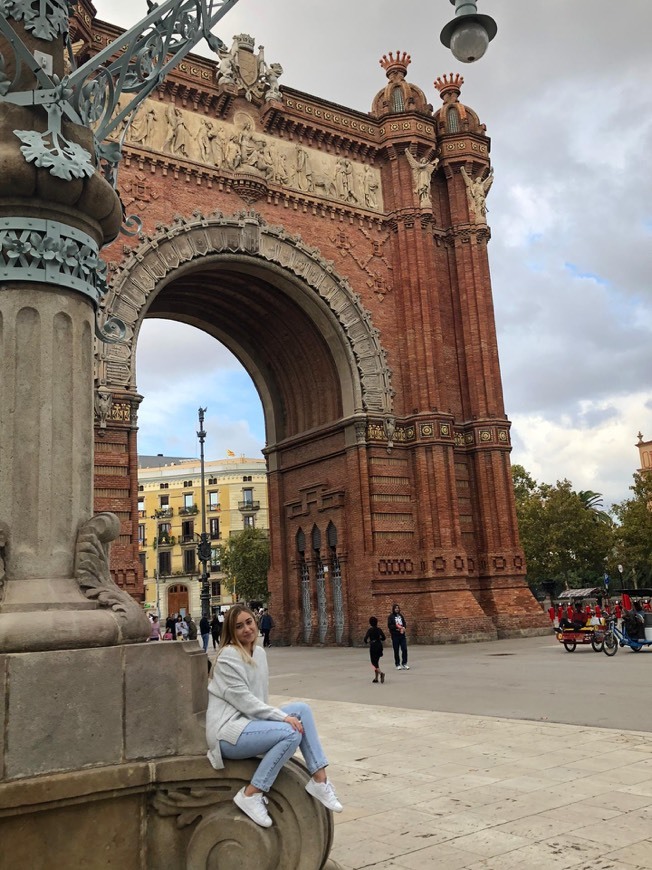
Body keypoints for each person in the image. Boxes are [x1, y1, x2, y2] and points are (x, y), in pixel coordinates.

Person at [206, 605, 342, 827]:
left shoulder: (259, 652)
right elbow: (246, 702)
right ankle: (251, 793)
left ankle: (320, 779)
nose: (247, 629)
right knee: (290, 732)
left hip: (249, 724)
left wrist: (277, 719)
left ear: (256, 621)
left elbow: (260, 697)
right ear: (231, 632)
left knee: (302, 711)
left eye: (249, 622)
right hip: (227, 733)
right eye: (239, 626)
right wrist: (280, 718)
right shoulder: (228, 656)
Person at [387, 603, 409, 670]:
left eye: (398, 608)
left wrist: (404, 627)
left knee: (404, 649)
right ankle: (397, 664)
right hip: (395, 635)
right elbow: (390, 626)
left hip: (402, 635)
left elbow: (404, 623)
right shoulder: (391, 617)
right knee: (396, 650)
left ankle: (404, 663)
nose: (397, 609)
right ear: (393, 609)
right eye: (396, 608)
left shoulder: (401, 616)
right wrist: (397, 628)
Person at [364, 617, 386, 683]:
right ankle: (376, 678)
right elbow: (384, 637)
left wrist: (368, 642)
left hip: (373, 646)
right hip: (379, 646)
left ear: (370, 623)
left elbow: (365, 639)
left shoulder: (370, 630)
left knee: (373, 664)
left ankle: (381, 673)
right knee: (376, 662)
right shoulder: (379, 629)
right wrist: (379, 639)